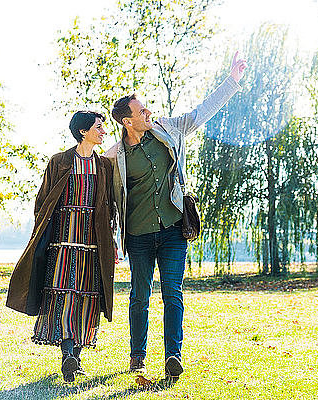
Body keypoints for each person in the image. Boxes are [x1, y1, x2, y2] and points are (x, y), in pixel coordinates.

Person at [104, 52, 247, 380]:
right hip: (138, 236)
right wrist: (113, 239)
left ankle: (173, 356)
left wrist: (232, 81)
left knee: (173, 293)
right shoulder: (116, 157)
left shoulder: (170, 129)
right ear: (128, 121)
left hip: (172, 229)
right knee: (140, 297)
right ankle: (137, 358)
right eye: (142, 110)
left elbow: (203, 111)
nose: (148, 111)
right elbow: (111, 203)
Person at [6, 111, 117, 383]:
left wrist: (111, 240)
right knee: (64, 296)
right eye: (98, 127)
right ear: (83, 131)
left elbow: (109, 208)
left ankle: (74, 357)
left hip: (92, 244)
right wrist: (41, 238)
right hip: (62, 243)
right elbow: (42, 201)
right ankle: (68, 351)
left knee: (87, 296)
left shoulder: (104, 165)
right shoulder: (59, 161)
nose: (103, 132)